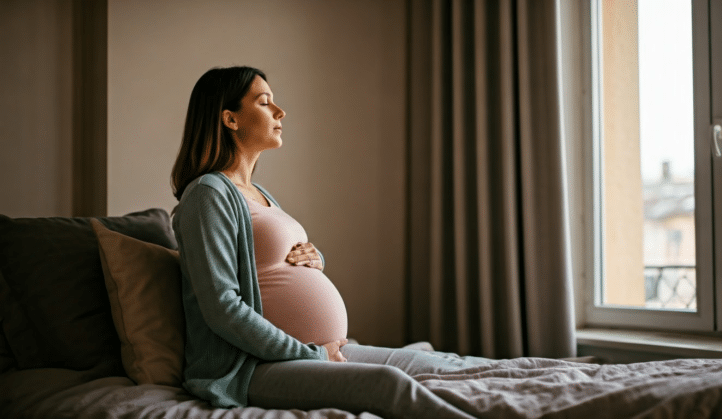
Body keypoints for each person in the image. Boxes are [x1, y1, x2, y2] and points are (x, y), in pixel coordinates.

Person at [170, 66, 489, 418]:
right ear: (230, 119)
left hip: (321, 348)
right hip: (252, 369)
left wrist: (313, 259)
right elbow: (222, 307)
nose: (280, 112)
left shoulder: (259, 194)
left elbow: (268, 261)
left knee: (438, 365)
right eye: (264, 102)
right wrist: (311, 354)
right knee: (386, 385)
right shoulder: (207, 194)